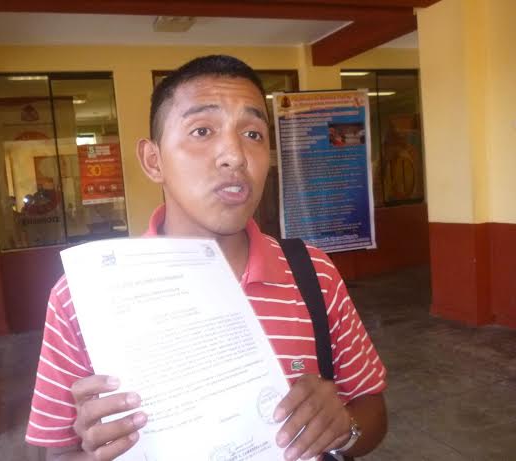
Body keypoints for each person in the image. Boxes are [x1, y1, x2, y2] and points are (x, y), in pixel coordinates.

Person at [26, 55, 387, 461]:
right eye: (202, 131)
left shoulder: (314, 273)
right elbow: (55, 453)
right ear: (153, 161)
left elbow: (372, 410)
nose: (235, 155)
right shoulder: (81, 298)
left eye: (253, 134)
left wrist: (343, 428)